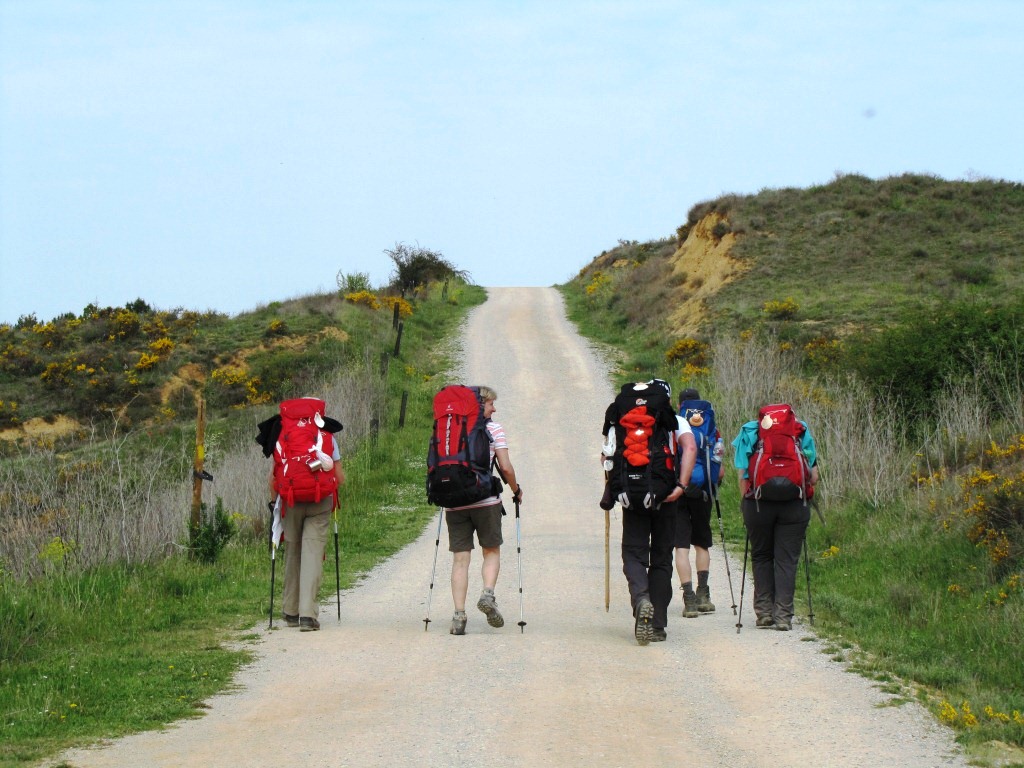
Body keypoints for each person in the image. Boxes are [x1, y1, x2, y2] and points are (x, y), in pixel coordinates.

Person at [604, 379, 696, 644]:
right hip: (665, 493)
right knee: (661, 558)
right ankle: (656, 625)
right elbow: (690, 447)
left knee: (633, 552)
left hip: (632, 496)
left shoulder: (622, 416)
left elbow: (607, 456)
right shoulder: (676, 419)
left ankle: (641, 598)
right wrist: (682, 484)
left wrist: (615, 484)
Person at [260, 400, 346, 632]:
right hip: (320, 502)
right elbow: (338, 475)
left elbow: (274, 477)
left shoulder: (282, 433)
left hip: (291, 500)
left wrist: (274, 502)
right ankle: (307, 616)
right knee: (312, 553)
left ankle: (290, 611)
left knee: (293, 551)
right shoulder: (326, 434)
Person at [731, 407, 819, 631]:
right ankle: (783, 616)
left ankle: (764, 613)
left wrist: (746, 503)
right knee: (786, 559)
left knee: (761, 556)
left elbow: (743, 475)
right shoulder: (801, 430)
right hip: (794, 504)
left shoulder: (750, 431)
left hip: (758, 503)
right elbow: (814, 476)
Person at [446, 385, 522, 636]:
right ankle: (487, 594)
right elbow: (506, 467)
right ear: (481, 406)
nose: (494, 408)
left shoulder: (449, 429)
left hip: (454, 501)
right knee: (491, 551)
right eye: (490, 404)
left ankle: (459, 617)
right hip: (486, 500)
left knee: (460, 559)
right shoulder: (494, 429)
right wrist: (516, 489)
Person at [674, 387, 724, 618]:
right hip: (703, 493)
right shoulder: (711, 427)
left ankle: (689, 600)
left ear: (680, 405)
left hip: (678, 492)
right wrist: (712, 486)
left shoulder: (675, 425)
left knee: (681, 547)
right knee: (701, 544)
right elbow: (719, 469)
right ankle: (703, 594)